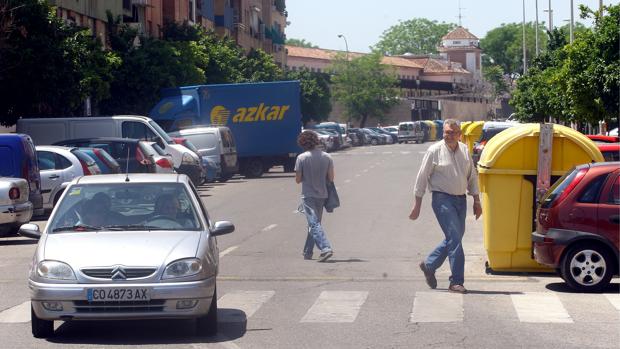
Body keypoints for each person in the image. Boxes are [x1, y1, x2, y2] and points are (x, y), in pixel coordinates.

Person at [409, 119, 482, 294]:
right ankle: (456, 282)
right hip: (442, 199)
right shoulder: (434, 151)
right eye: (446, 132)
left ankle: (429, 265)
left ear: (459, 135)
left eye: (452, 132)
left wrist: (477, 201)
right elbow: (422, 177)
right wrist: (417, 204)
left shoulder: (464, 149)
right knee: (455, 239)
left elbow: (472, 177)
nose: (448, 135)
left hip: (460, 200)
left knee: (454, 238)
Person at [295, 130, 335, 262]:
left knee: (313, 223)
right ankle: (308, 252)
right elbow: (331, 177)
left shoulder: (301, 158)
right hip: (323, 195)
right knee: (315, 223)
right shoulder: (327, 157)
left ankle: (325, 248)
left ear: (303, 143)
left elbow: (298, 179)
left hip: (308, 195)